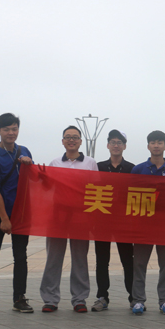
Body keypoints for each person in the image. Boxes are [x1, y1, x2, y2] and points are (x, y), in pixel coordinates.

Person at [0, 113, 34, 315]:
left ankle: (19, 298)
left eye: (14, 128)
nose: (11, 133)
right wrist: (4, 219)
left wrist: (29, 163)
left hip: (21, 214)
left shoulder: (24, 150)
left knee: (20, 257)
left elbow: (33, 178)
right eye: (6, 129)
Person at [40, 126, 99, 313]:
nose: (71, 140)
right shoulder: (55, 163)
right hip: (58, 216)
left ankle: (79, 299)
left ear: (81, 141)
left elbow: (96, 189)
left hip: (81, 217)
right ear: (62, 141)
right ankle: (50, 299)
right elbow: (48, 188)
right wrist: (42, 177)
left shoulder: (90, 163)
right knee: (53, 258)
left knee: (80, 258)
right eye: (67, 137)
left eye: (75, 137)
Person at [130, 130, 165, 316]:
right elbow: (130, 197)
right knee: (139, 264)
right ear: (148, 146)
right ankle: (138, 300)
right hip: (143, 225)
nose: (156, 145)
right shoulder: (138, 170)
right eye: (153, 142)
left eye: (160, 142)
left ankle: (164, 301)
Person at [92, 129, 135, 312]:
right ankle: (102, 297)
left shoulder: (132, 169)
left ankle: (134, 297)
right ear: (108, 145)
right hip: (102, 221)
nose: (116, 145)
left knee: (128, 260)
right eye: (113, 142)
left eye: (119, 142)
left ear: (124, 146)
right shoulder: (98, 167)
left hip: (123, 222)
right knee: (102, 261)